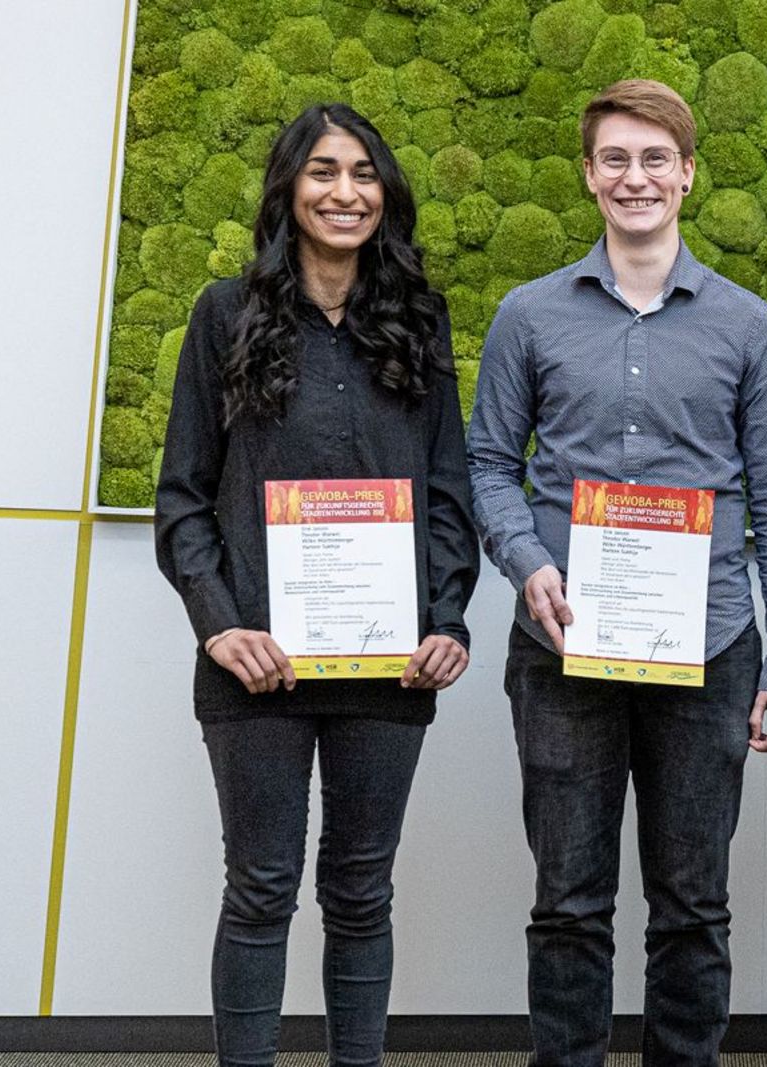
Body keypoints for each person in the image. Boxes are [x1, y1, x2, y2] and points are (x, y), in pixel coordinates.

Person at [465, 78, 767, 1067]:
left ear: (688, 175)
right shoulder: (527, 316)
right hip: (561, 647)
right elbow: (488, 463)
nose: (636, 177)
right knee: (568, 901)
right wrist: (527, 562)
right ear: (588, 176)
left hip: (707, 649)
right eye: (616, 158)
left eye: (655, 158)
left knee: (693, 904)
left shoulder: (749, 327)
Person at [153, 103, 479, 1067]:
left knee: (362, 890)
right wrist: (219, 628)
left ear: (387, 193)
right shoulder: (225, 315)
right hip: (258, 667)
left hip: (390, 667)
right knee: (259, 887)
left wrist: (448, 618)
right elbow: (181, 500)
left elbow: (448, 487)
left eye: (365, 174)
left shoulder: (419, 319)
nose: (347, 192)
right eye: (324, 173)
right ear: (289, 190)